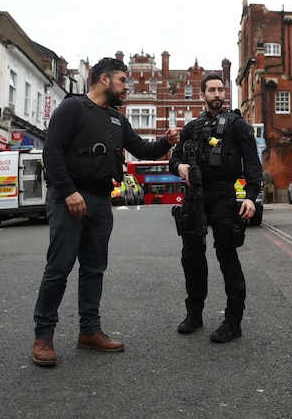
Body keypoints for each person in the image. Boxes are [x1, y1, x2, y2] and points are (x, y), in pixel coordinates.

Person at [32, 57, 181, 367]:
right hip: (69, 198)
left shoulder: (117, 119)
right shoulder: (72, 109)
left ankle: (89, 331)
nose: (127, 86)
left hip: (101, 201)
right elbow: (52, 152)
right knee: (58, 268)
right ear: (103, 80)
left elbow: (141, 149)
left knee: (94, 269)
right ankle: (43, 337)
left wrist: (165, 141)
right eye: (123, 80)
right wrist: (70, 192)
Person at [169, 72, 263, 343]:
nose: (217, 94)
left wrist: (250, 196)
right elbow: (173, 159)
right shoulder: (191, 127)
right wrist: (180, 166)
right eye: (211, 90)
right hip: (195, 196)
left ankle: (233, 321)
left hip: (224, 194)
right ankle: (194, 314)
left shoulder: (238, 126)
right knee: (192, 257)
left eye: (221, 89)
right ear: (203, 95)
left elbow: (253, 164)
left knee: (227, 256)